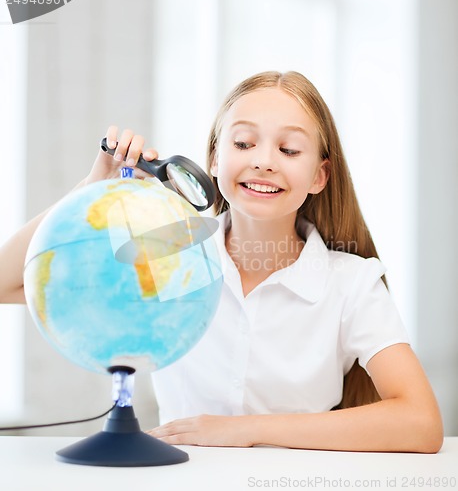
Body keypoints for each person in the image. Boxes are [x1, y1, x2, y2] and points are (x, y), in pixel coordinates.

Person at [0, 71, 443, 453]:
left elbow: (421, 423)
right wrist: (92, 187)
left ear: (319, 176)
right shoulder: (166, 255)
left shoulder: (352, 284)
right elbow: (8, 283)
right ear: (214, 158)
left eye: (289, 150)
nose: (264, 162)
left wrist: (245, 431)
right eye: (244, 142)